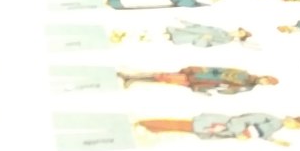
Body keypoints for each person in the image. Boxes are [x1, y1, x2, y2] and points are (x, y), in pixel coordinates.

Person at [137, 113, 300, 147]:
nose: (292, 126)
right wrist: (240, 132)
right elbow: (246, 119)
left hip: (226, 132)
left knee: (186, 130)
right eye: (295, 124)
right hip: (224, 125)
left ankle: (153, 128)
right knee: (184, 126)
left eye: (296, 128)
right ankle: (146, 123)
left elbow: (263, 134)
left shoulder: (276, 127)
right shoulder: (271, 119)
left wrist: (275, 141)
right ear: (290, 119)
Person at [119, 66, 278, 94]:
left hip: (204, 84)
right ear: (263, 76)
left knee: (166, 80)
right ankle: (132, 76)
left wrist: (223, 90)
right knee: (165, 76)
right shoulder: (244, 74)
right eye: (266, 80)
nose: (263, 83)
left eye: (266, 84)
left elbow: (228, 91)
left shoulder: (248, 87)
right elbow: (220, 70)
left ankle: (133, 79)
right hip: (203, 76)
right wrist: (200, 70)